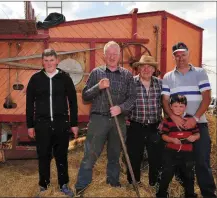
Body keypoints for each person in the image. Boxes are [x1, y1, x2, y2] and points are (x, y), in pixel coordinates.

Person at [74, 41, 136, 196]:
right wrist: (98, 87)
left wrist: (120, 108)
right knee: (90, 154)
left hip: (118, 120)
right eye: (109, 54)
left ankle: (113, 184)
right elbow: (85, 96)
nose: (112, 57)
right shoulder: (96, 73)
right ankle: (82, 187)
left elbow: (132, 99)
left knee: (115, 155)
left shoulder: (127, 75)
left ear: (119, 55)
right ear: (104, 55)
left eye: (115, 54)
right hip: (98, 120)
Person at [161, 42, 216, 197]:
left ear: (188, 54)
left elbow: (207, 97)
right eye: (177, 56)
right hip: (176, 127)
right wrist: (173, 117)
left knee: (202, 162)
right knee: (180, 163)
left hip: (199, 124)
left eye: (183, 55)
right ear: (174, 57)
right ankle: (187, 193)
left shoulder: (200, 73)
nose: (180, 58)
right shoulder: (168, 77)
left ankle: (209, 194)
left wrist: (195, 118)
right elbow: (165, 100)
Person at [26, 48, 79, 197]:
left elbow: (73, 102)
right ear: (42, 62)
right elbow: (29, 104)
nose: (49, 63)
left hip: (61, 123)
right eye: (46, 60)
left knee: (61, 155)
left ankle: (63, 185)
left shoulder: (65, 78)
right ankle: (44, 186)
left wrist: (74, 123)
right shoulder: (35, 79)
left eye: (51, 60)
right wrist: (30, 125)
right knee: (43, 155)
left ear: (57, 61)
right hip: (42, 124)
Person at [126, 55, 163, 186]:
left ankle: (154, 183)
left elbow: (166, 104)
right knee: (134, 156)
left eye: (149, 67)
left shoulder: (160, 84)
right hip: (136, 125)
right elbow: (124, 102)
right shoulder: (131, 82)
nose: (146, 69)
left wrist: (164, 121)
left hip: (155, 126)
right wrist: (125, 117)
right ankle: (133, 183)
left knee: (156, 157)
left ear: (154, 69)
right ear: (139, 68)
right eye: (143, 66)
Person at [156, 94, 200, 198]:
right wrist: (172, 140)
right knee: (167, 173)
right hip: (171, 152)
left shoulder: (190, 119)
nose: (178, 109)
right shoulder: (167, 121)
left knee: (189, 175)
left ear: (186, 106)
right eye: (175, 106)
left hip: (187, 153)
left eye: (181, 106)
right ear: (170, 106)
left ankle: (190, 194)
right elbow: (163, 136)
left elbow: (197, 133)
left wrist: (194, 137)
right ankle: (161, 194)